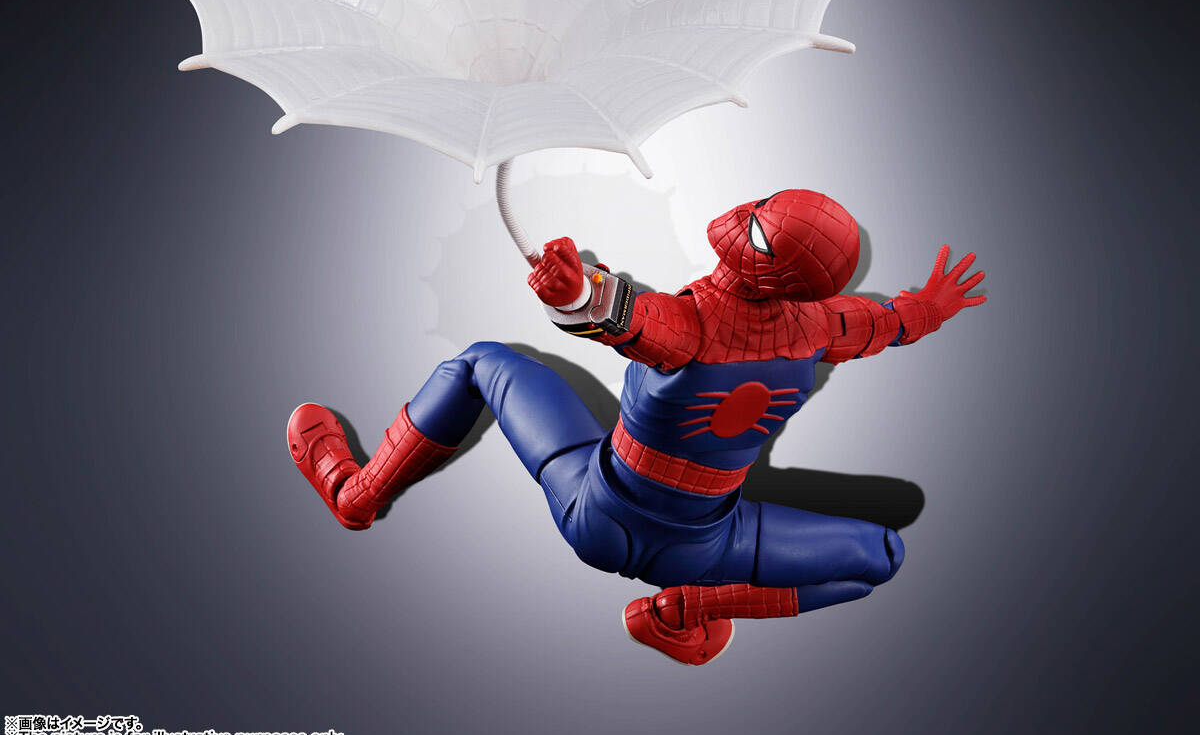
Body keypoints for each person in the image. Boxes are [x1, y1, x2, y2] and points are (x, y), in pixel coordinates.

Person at [288, 190, 985, 664]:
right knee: (881, 556)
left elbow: (624, 318)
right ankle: (682, 614)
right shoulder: (821, 328)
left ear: (776, 273)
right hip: (707, 548)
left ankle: (356, 495)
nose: (741, 213)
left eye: (758, 228)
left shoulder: (691, 327)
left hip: (599, 511)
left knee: (479, 363)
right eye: (764, 204)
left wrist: (576, 295)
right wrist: (932, 305)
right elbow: (887, 324)